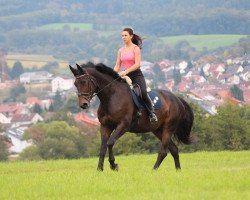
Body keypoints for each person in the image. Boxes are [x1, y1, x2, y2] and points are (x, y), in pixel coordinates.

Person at [114, 28, 158, 123]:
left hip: (136, 75)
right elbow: (118, 65)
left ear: (131, 36)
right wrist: (112, 75)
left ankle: (151, 113)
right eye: (122, 36)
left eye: (125, 35)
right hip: (125, 76)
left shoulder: (135, 48)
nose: (123, 37)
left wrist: (126, 71)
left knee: (142, 92)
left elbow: (137, 64)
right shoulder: (120, 50)